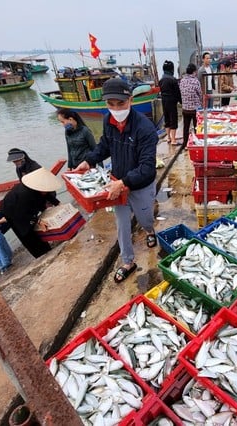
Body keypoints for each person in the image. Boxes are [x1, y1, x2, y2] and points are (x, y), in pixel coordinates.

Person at [75, 78, 158, 284]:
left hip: (141, 185)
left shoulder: (145, 129)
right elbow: (105, 145)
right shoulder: (107, 121)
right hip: (117, 184)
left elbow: (147, 167)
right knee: (122, 225)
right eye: (110, 104)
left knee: (145, 217)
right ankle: (128, 262)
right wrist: (89, 160)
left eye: (120, 103)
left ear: (130, 100)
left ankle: (149, 230)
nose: (115, 108)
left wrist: (124, 183)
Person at [1, 167, 62, 258]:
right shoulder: (24, 193)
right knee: (27, 233)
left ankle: (46, 248)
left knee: (36, 230)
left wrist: (58, 204)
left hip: (24, 208)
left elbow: (48, 196)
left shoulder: (40, 188)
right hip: (14, 212)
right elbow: (22, 213)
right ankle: (40, 254)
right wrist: (38, 221)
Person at [179, 63, 203, 148]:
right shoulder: (196, 81)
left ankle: (185, 144)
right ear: (194, 71)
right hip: (195, 109)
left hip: (185, 108)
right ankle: (196, 143)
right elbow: (200, 94)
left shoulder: (182, 81)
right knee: (197, 126)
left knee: (186, 126)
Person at [158, 60, 182, 145]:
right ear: (172, 69)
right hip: (172, 101)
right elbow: (177, 93)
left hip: (164, 101)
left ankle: (168, 138)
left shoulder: (161, 80)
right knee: (173, 120)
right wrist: (181, 102)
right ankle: (173, 140)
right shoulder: (173, 80)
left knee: (167, 119)